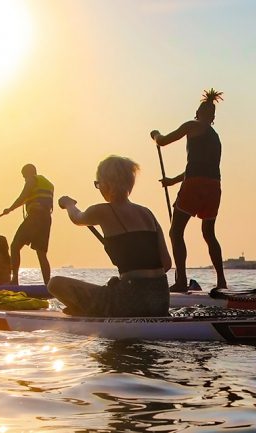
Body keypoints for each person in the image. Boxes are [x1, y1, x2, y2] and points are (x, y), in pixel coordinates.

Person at [48, 156, 173, 317]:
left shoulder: (102, 211)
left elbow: (77, 218)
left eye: (98, 184)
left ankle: (87, 311)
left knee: (55, 283)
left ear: (106, 184)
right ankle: (87, 309)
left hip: (130, 302)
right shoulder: (147, 213)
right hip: (161, 301)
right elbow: (167, 264)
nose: (99, 188)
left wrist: (68, 204)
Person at [150, 88, 227, 291]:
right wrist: (172, 181)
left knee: (176, 232)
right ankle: (222, 281)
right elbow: (201, 167)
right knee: (209, 234)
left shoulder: (192, 125)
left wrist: (155, 135)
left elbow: (164, 141)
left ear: (199, 113)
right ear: (212, 116)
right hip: (214, 186)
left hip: (195, 185)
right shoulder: (215, 137)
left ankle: (182, 281)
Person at [5, 164, 54, 285]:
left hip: (35, 217)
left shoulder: (32, 179)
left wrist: (10, 209)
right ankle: (47, 284)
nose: (25, 179)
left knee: (15, 246)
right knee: (41, 253)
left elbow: (23, 196)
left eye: (24, 176)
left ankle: (14, 280)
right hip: (46, 219)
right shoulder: (48, 183)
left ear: (28, 172)